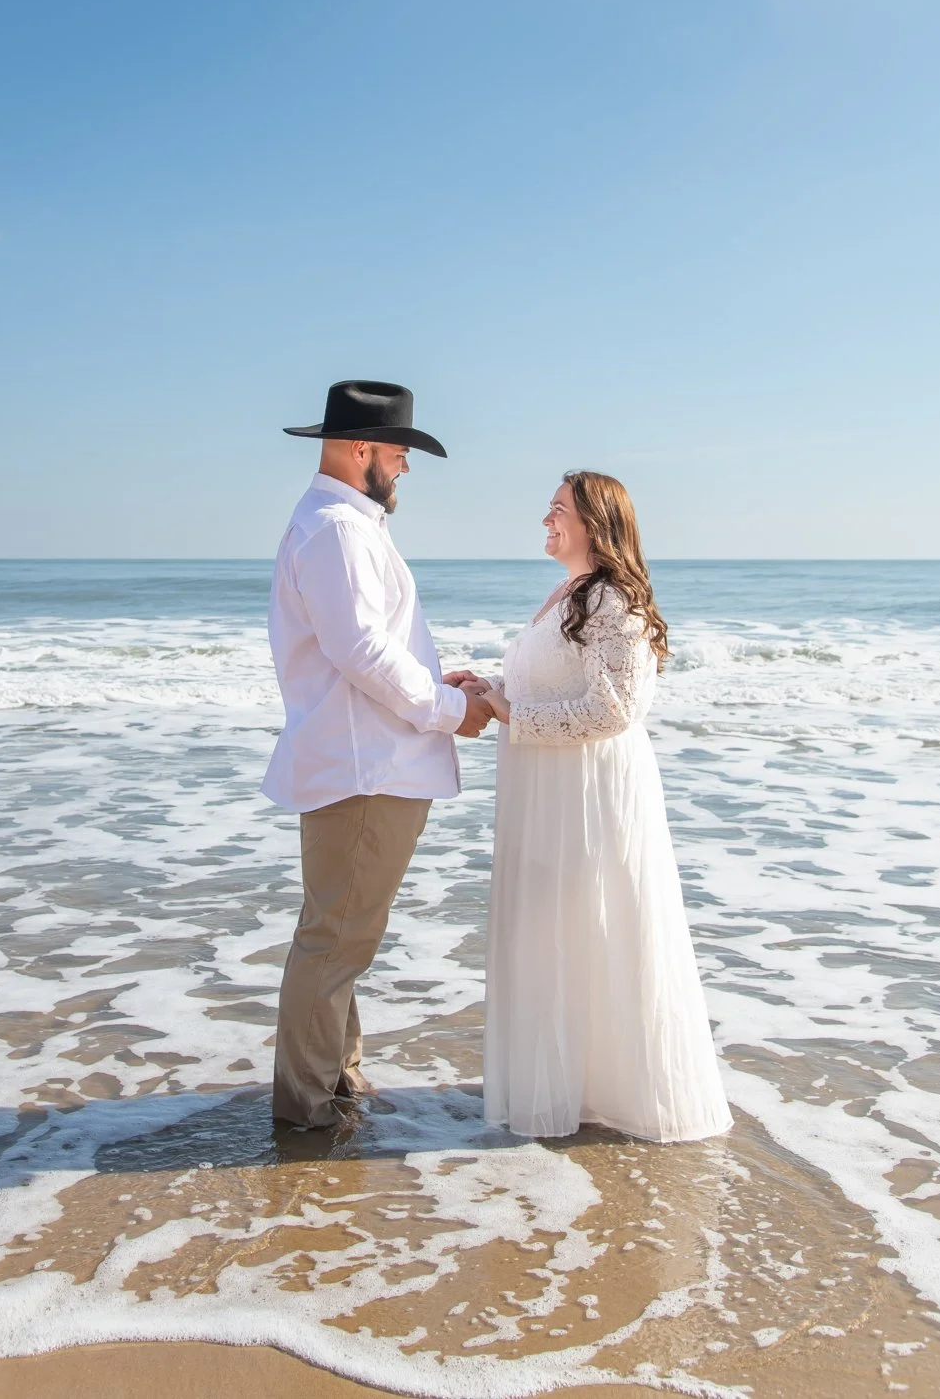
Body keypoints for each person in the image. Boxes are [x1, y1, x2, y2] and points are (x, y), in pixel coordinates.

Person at [261, 380, 490, 1128]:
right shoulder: (337, 529)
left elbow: (366, 646)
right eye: (399, 452)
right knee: (335, 940)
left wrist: (437, 683)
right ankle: (307, 1109)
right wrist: (450, 710)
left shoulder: (342, 523)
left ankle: (336, 1078)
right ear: (362, 448)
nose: (405, 467)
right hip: (366, 770)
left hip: (365, 760)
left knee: (342, 936)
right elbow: (360, 650)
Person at [478, 471, 733, 1142]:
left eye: (557, 510)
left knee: (591, 925)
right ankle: (569, 1082)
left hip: (586, 792)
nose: (545, 520)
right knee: (556, 932)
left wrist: (510, 713)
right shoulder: (569, 593)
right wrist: (490, 687)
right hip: (550, 786)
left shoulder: (614, 601)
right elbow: (552, 679)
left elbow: (612, 710)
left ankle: (612, 1089)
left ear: (594, 523)